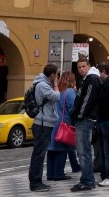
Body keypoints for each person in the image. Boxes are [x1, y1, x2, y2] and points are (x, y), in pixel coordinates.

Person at [28, 63, 60, 192]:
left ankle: (37, 181)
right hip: (42, 124)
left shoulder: (44, 84)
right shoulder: (42, 85)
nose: (57, 76)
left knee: (40, 154)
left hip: (45, 123)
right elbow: (56, 97)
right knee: (38, 155)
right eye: (56, 74)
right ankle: (35, 183)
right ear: (52, 75)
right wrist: (56, 85)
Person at [70, 57, 100, 193]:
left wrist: (79, 115)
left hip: (85, 119)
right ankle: (88, 180)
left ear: (88, 66)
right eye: (79, 67)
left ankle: (87, 181)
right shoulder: (88, 78)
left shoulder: (92, 78)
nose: (81, 69)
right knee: (83, 152)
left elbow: (88, 99)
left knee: (84, 152)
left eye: (83, 66)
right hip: (85, 118)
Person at [47, 71, 77, 182]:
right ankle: (58, 173)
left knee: (51, 150)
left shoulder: (56, 90)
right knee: (61, 149)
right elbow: (73, 108)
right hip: (63, 124)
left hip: (52, 122)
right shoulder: (69, 92)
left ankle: (50, 174)